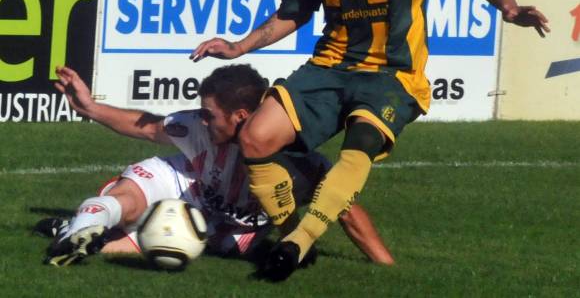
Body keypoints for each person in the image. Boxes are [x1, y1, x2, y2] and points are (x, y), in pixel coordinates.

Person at [191, 0, 550, 281]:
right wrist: (239, 47)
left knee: (359, 142)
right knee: (255, 138)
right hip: (328, 69)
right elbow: (293, 13)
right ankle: (295, 240)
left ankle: (296, 244)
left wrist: (509, 8)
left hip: (392, 74)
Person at [38, 64, 393, 268]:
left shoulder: (295, 160)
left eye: (210, 114)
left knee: (137, 245)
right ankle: (79, 230)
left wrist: (385, 266)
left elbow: (345, 208)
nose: (202, 120)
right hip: (186, 183)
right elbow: (146, 127)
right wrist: (90, 108)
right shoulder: (198, 128)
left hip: (228, 229)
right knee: (128, 198)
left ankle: (80, 229)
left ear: (240, 115)